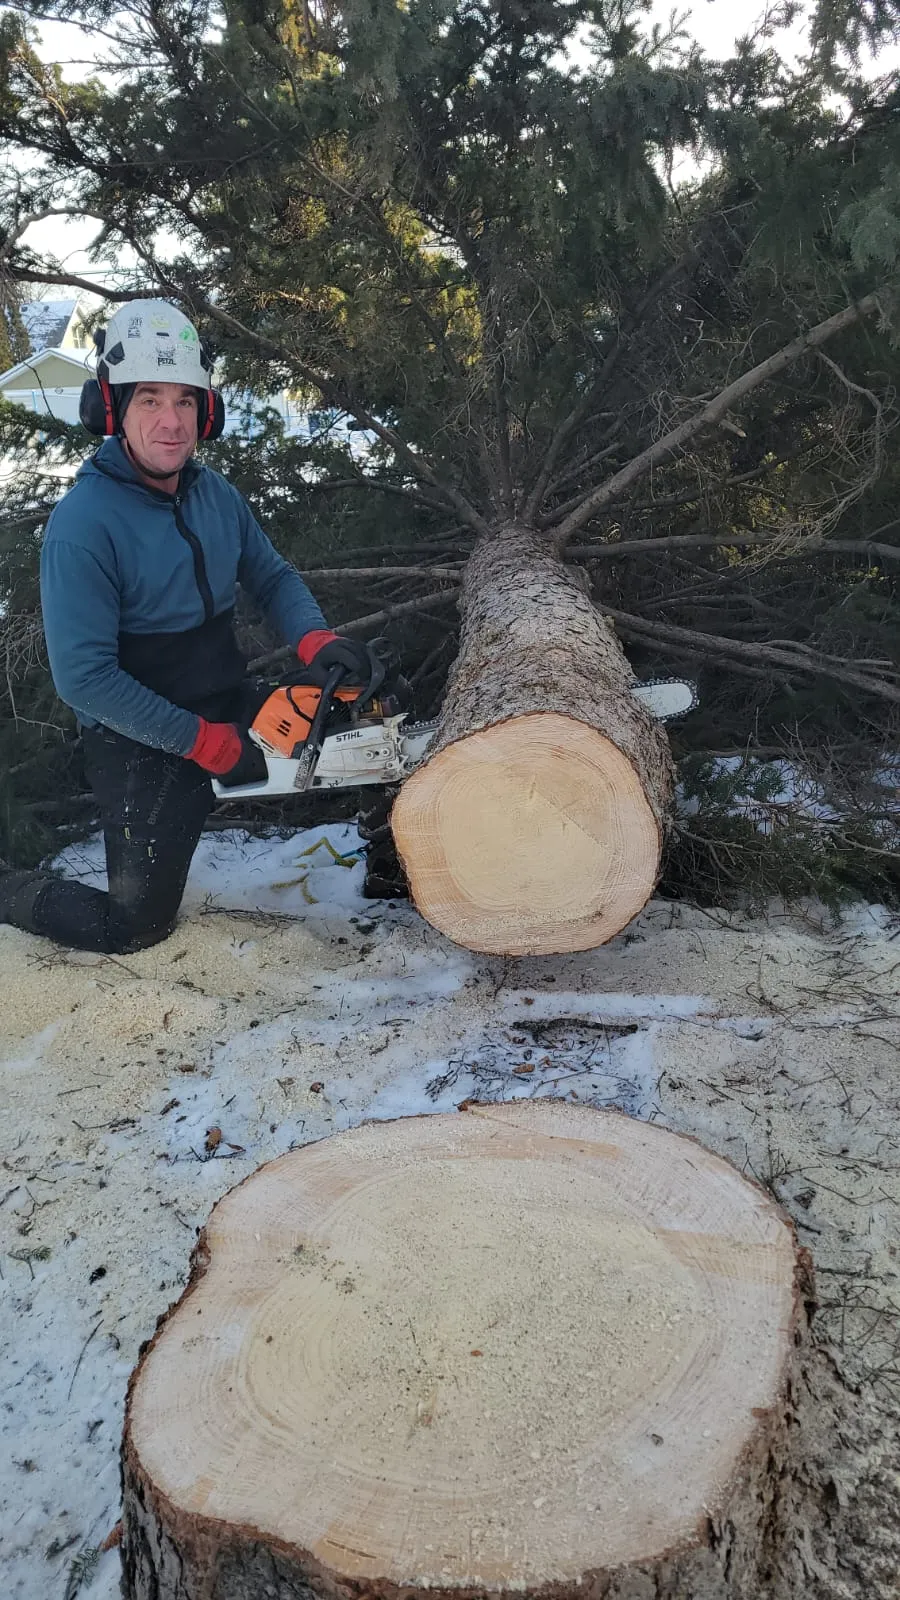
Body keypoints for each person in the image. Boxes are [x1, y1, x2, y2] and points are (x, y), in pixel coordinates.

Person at [0, 299, 379, 953]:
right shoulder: (83, 524)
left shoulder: (216, 494)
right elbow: (85, 680)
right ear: (111, 408)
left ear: (208, 409)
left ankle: (403, 862)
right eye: (149, 400)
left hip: (223, 696)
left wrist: (317, 640)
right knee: (133, 924)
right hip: (139, 735)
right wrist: (205, 744)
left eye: (185, 399)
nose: (172, 422)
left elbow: (272, 577)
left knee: (374, 711)